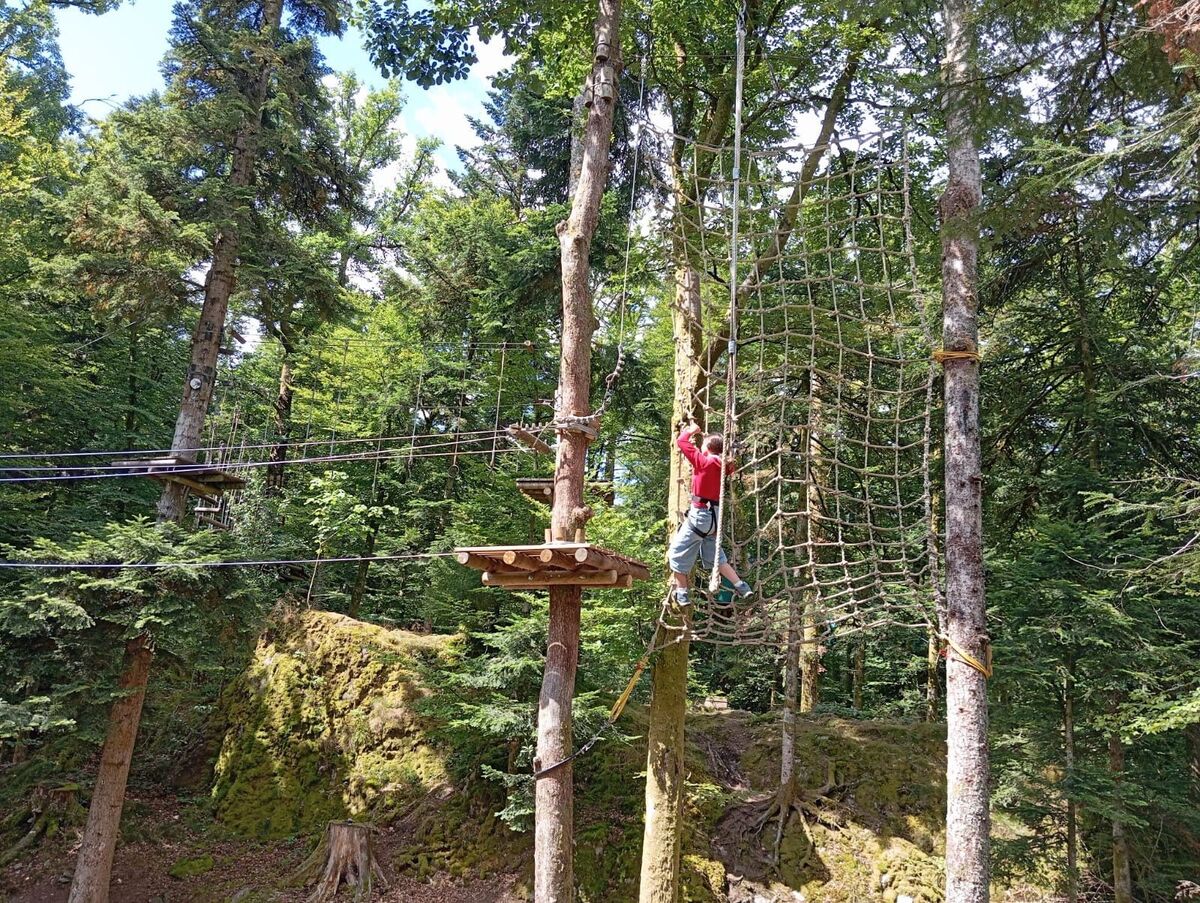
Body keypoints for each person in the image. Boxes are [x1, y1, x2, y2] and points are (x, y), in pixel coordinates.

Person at [668, 421, 753, 608]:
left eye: (703, 444)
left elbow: (682, 442)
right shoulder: (724, 466)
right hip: (714, 519)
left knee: (675, 554)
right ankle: (741, 585)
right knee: (716, 557)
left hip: (701, 517)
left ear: (707, 448)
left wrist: (691, 431)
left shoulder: (703, 462)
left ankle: (682, 593)